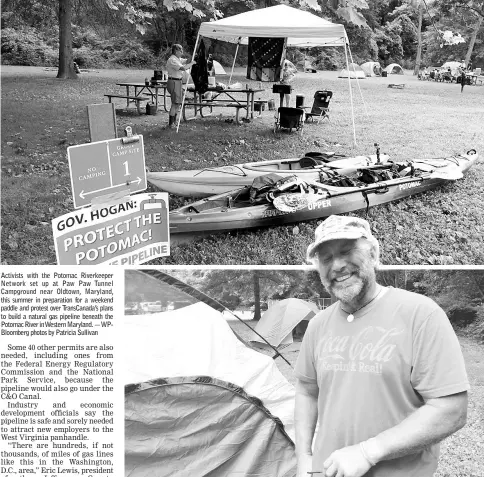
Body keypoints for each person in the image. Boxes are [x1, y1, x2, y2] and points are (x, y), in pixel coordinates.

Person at [294, 215, 469, 477]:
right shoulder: (318, 325)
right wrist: (304, 456)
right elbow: (307, 391)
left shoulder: (420, 314)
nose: (338, 265)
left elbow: (451, 410)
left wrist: (367, 452)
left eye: (347, 251)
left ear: (373, 254)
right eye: (326, 258)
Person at [165, 44, 195, 128]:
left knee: (177, 103)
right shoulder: (172, 60)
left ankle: (174, 122)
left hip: (178, 82)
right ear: (176, 51)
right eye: (180, 50)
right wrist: (192, 63)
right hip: (173, 81)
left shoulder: (178, 59)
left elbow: (186, 61)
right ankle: (171, 123)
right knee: (175, 103)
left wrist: (193, 56)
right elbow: (183, 68)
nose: (182, 52)